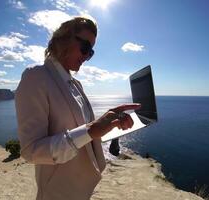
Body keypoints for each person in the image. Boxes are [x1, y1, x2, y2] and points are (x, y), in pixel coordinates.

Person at [15, 17, 140, 200]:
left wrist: (109, 121)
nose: (87, 56)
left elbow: (84, 132)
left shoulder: (75, 84)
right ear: (64, 38)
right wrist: (90, 130)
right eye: (85, 48)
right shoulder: (36, 77)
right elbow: (31, 150)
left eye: (91, 52)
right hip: (57, 193)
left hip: (82, 191)